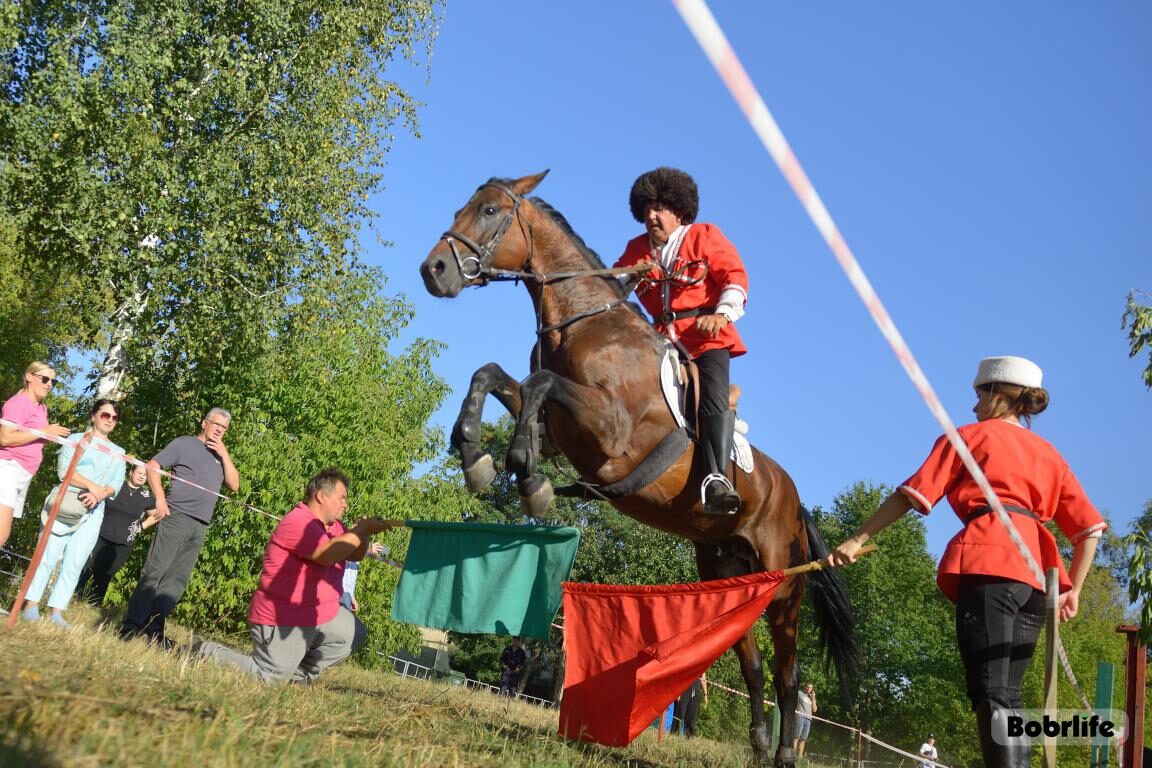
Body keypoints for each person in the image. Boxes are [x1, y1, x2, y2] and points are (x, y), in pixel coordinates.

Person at [827, 356, 1107, 768]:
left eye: (979, 395)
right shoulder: (1051, 455)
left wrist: (856, 539)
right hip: (1036, 578)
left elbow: (912, 494)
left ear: (998, 395)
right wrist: (1075, 590)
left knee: (990, 691)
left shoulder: (968, 438)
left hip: (991, 560)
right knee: (1009, 695)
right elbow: (1090, 530)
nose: (974, 406)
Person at [613, 167, 749, 515]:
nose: (651, 216)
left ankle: (717, 479)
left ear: (679, 210)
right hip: (657, 342)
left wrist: (722, 315)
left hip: (705, 339)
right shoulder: (636, 249)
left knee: (711, 398)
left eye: (659, 208)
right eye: (646, 209)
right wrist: (628, 276)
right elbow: (611, 288)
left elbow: (734, 277)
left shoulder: (704, 235)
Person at [197, 469, 395, 684]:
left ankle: (298, 678)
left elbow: (355, 555)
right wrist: (361, 530)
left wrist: (364, 533)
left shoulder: (336, 526)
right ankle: (203, 652)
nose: (345, 505)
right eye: (341, 498)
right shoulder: (299, 522)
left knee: (353, 633)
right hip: (285, 615)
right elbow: (327, 555)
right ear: (321, 496)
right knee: (268, 678)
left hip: (319, 611)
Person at [120, 407, 240, 644]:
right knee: (155, 570)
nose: (219, 430)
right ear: (204, 423)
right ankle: (131, 624)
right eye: (216, 424)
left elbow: (234, 485)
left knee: (177, 580)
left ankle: (153, 629)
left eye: (224, 428)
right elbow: (153, 466)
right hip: (177, 516)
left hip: (200, 524)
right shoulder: (185, 443)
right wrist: (160, 499)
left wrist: (225, 454)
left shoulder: (220, 456)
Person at [22, 400, 125, 628]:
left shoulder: (120, 453)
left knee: (75, 561)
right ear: (93, 415)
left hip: (95, 509)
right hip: (67, 502)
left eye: (114, 417)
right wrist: (92, 486)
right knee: (47, 554)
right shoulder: (76, 439)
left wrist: (100, 494)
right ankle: (30, 605)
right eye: (105, 415)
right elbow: (64, 471)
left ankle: (57, 611)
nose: (109, 420)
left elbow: (117, 482)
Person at [0, 362, 71, 550]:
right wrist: (44, 432)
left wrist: (49, 436)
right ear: (29, 376)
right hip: (8, 468)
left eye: (53, 382)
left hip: (23, 475)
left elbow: (33, 436)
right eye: (45, 379)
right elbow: (5, 438)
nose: (49, 384)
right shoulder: (19, 402)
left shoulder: (41, 408)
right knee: (1, 534)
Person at [77, 461, 158, 606]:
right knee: (87, 567)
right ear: (131, 472)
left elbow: (157, 514)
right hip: (100, 535)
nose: (141, 477)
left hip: (123, 544)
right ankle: (74, 598)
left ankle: (93, 605)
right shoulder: (115, 487)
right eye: (139, 473)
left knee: (105, 575)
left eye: (145, 475)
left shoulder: (146, 496)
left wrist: (142, 526)